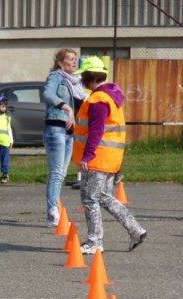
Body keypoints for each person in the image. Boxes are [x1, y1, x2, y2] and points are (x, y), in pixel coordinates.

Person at [71, 56, 147, 254]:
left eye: (83, 76)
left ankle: (94, 242)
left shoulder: (98, 100)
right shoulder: (111, 97)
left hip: (97, 158)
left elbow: (96, 131)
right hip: (109, 158)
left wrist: (87, 157)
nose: (81, 80)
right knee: (104, 197)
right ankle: (135, 230)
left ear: (91, 77)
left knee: (90, 199)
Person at [42, 48, 87, 227]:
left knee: (61, 174)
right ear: (60, 62)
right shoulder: (56, 77)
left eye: (75, 58)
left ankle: (53, 212)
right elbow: (47, 94)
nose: (74, 61)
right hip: (56, 128)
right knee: (56, 173)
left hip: (69, 132)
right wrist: (66, 107)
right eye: (69, 59)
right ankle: (53, 214)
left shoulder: (77, 83)